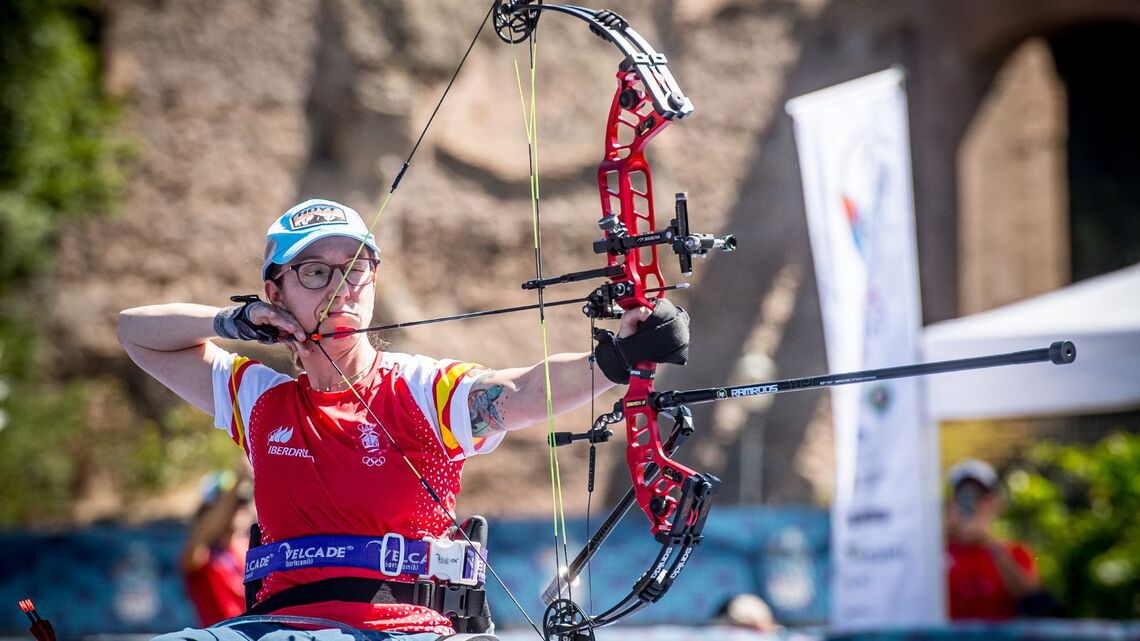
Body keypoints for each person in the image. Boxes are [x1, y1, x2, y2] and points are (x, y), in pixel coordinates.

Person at [118, 198, 690, 641]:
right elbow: (136, 333)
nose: (341, 290)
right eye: (315, 272)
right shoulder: (261, 400)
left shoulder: (417, 389)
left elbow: (517, 390)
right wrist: (234, 320)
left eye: (356, 270)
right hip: (277, 628)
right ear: (275, 291)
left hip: (404, 629)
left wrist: (616, 360)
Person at [944, 459, 1043, 620]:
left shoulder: (1015, 553)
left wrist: (988, 544)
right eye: (963, 496)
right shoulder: (934, 554)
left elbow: (1035, 601)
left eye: (980, 496)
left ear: (994, 503)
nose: (972, 504)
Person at [180, 468, 254, 626]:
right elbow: (196, 544)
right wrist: (237, 483)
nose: (237, 509)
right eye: (229, 503)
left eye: (242, 502)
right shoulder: (202, 553)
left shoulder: (254, 549)